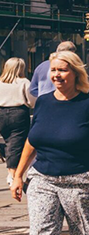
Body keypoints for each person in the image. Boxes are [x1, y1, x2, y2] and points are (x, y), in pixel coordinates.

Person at [10, 51, 89, 235]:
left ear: (75, 73)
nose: (56, 75)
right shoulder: (43, 102)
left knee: (87, 232)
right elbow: (32, 141)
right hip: (42, 180)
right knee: (42, 232)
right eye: (53, 70)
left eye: (63, 70)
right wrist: (18, 175)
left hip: (81, 181)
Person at [0, 58, 35, 186]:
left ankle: (12, 172)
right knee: (16, 143)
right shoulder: (24, 82)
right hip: (18, 113)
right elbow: (32, 102)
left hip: (1, 113)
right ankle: (13, 174)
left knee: (9, 143)